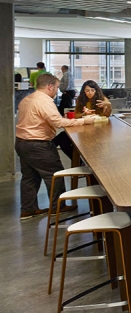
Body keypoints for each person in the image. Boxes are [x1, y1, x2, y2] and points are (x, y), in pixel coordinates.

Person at [15, 73, 96, 219]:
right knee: (55, 175)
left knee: (29, 177)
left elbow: (43, 119)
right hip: (38, 144)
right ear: (49, 86)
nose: (57, 91)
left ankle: (28, 209)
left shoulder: (26, 99)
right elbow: (57, 123)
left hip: (22, 143)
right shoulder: (44, 101)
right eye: (57, 87)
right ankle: (58, 207)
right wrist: (84, 121)